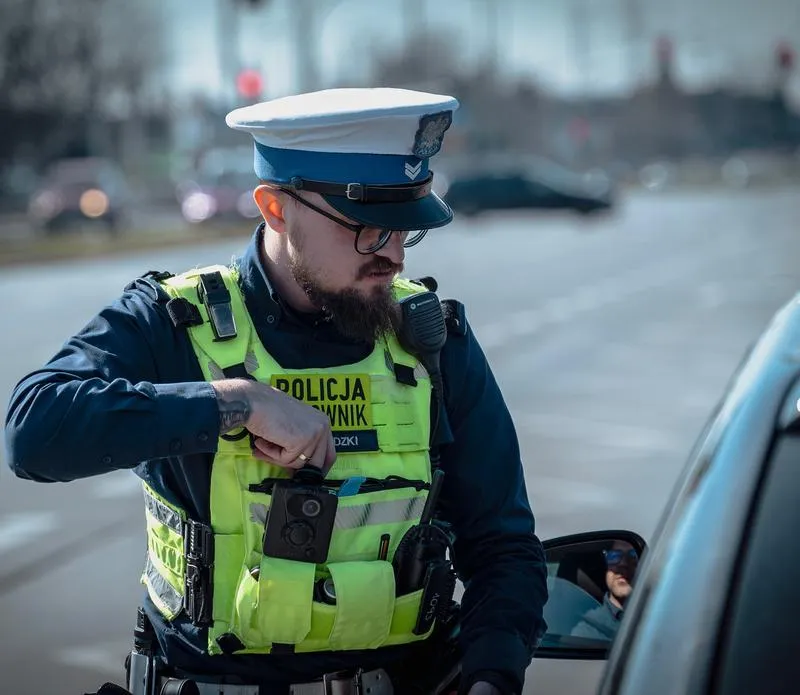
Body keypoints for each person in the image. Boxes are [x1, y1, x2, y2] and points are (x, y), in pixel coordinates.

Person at [4, 87, 547, 695]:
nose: (392, 256)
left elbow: (503, 546)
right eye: (367, 228)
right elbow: (33, 431)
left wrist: (492, 677)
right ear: (275, 208)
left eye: (406, 229)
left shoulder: (433, 340)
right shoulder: (174, 321)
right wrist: (234, 402)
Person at [570, 542, 639, 641]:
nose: (623, 563)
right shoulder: (587, 630)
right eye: (614, 556)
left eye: (633, 556)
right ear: (606, 567)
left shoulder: (659, 617)